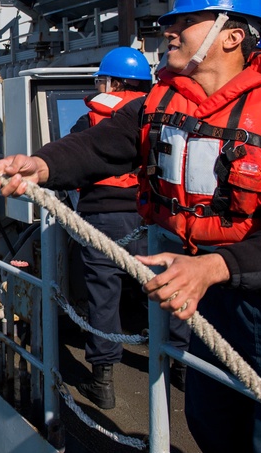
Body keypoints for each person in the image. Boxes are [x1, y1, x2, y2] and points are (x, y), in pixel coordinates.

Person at [0, 0, 261, 453]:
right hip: (208, 285)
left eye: (186, 21)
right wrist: (39, 164)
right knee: (213, 419)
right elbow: (98, 147)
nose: (168, 30)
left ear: (233, 36)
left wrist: (211, 268)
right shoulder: (163, 102)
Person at [70, 46, 187, 409]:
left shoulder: (89, 120)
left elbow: (75, 166)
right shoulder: (157, 114)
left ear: (113, 82)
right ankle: (183, 366)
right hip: (151, 215)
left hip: (102, 218)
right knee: (170, 286)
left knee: (104, 295)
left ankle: (103, 382)